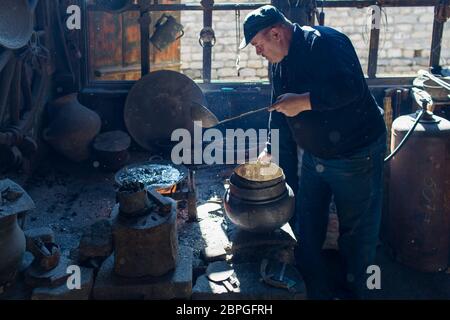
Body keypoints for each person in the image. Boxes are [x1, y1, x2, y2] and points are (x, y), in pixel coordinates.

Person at [240, 5, 387, 299]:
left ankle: (363, 291)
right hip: (315, 158)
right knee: (306, 226)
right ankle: (314, 290)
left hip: (357, 155)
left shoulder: (327, 43)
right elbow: (278, 113)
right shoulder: (280, 64)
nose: (258, 52)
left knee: (358, 237)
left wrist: (305, 101)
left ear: (276, 33)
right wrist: (271, 155)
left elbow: (350, 89)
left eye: (258, 45)